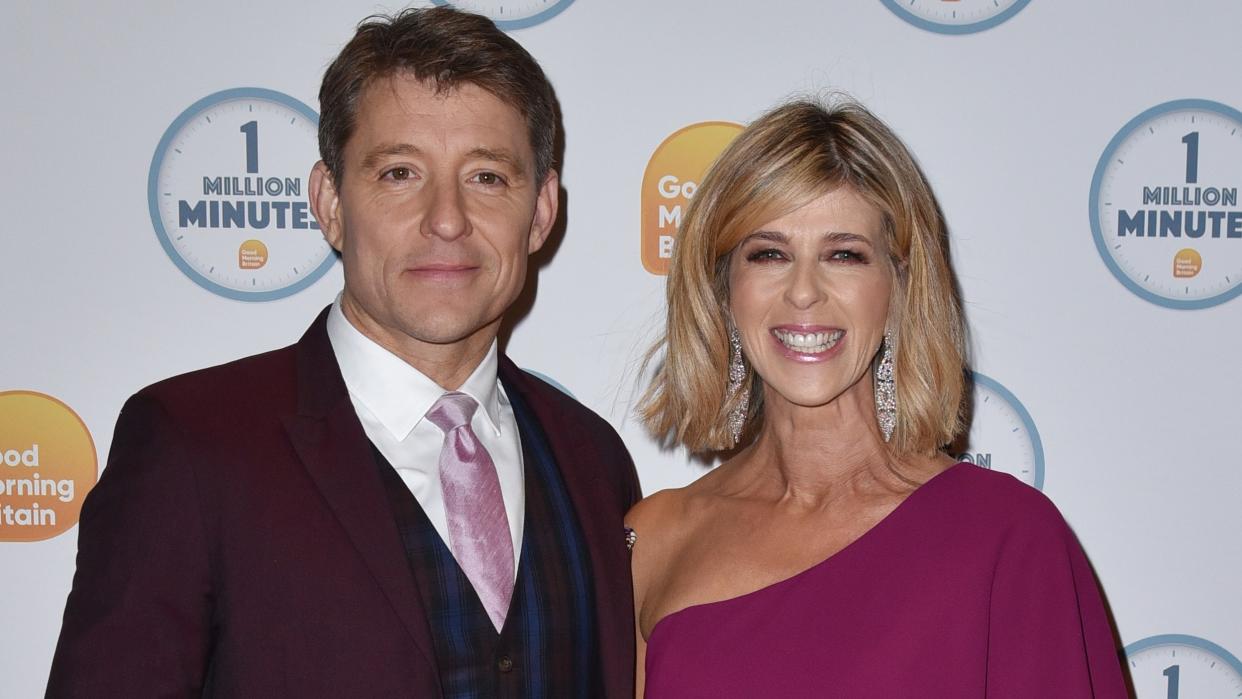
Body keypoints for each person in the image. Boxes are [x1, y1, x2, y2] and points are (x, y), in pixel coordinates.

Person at [47, 8, 640, 698]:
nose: (445, 218)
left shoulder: (592, 460)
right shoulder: (190, 446)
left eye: (486, 177)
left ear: (540, 210)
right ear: (330, 202)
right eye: (398, 173)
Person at [627, 99, 1128, 697]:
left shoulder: (1006, 536)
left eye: (844, 255)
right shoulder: (656, 538)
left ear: (899, 286)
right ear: (722, 288)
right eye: (769, 253)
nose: (804, 292)